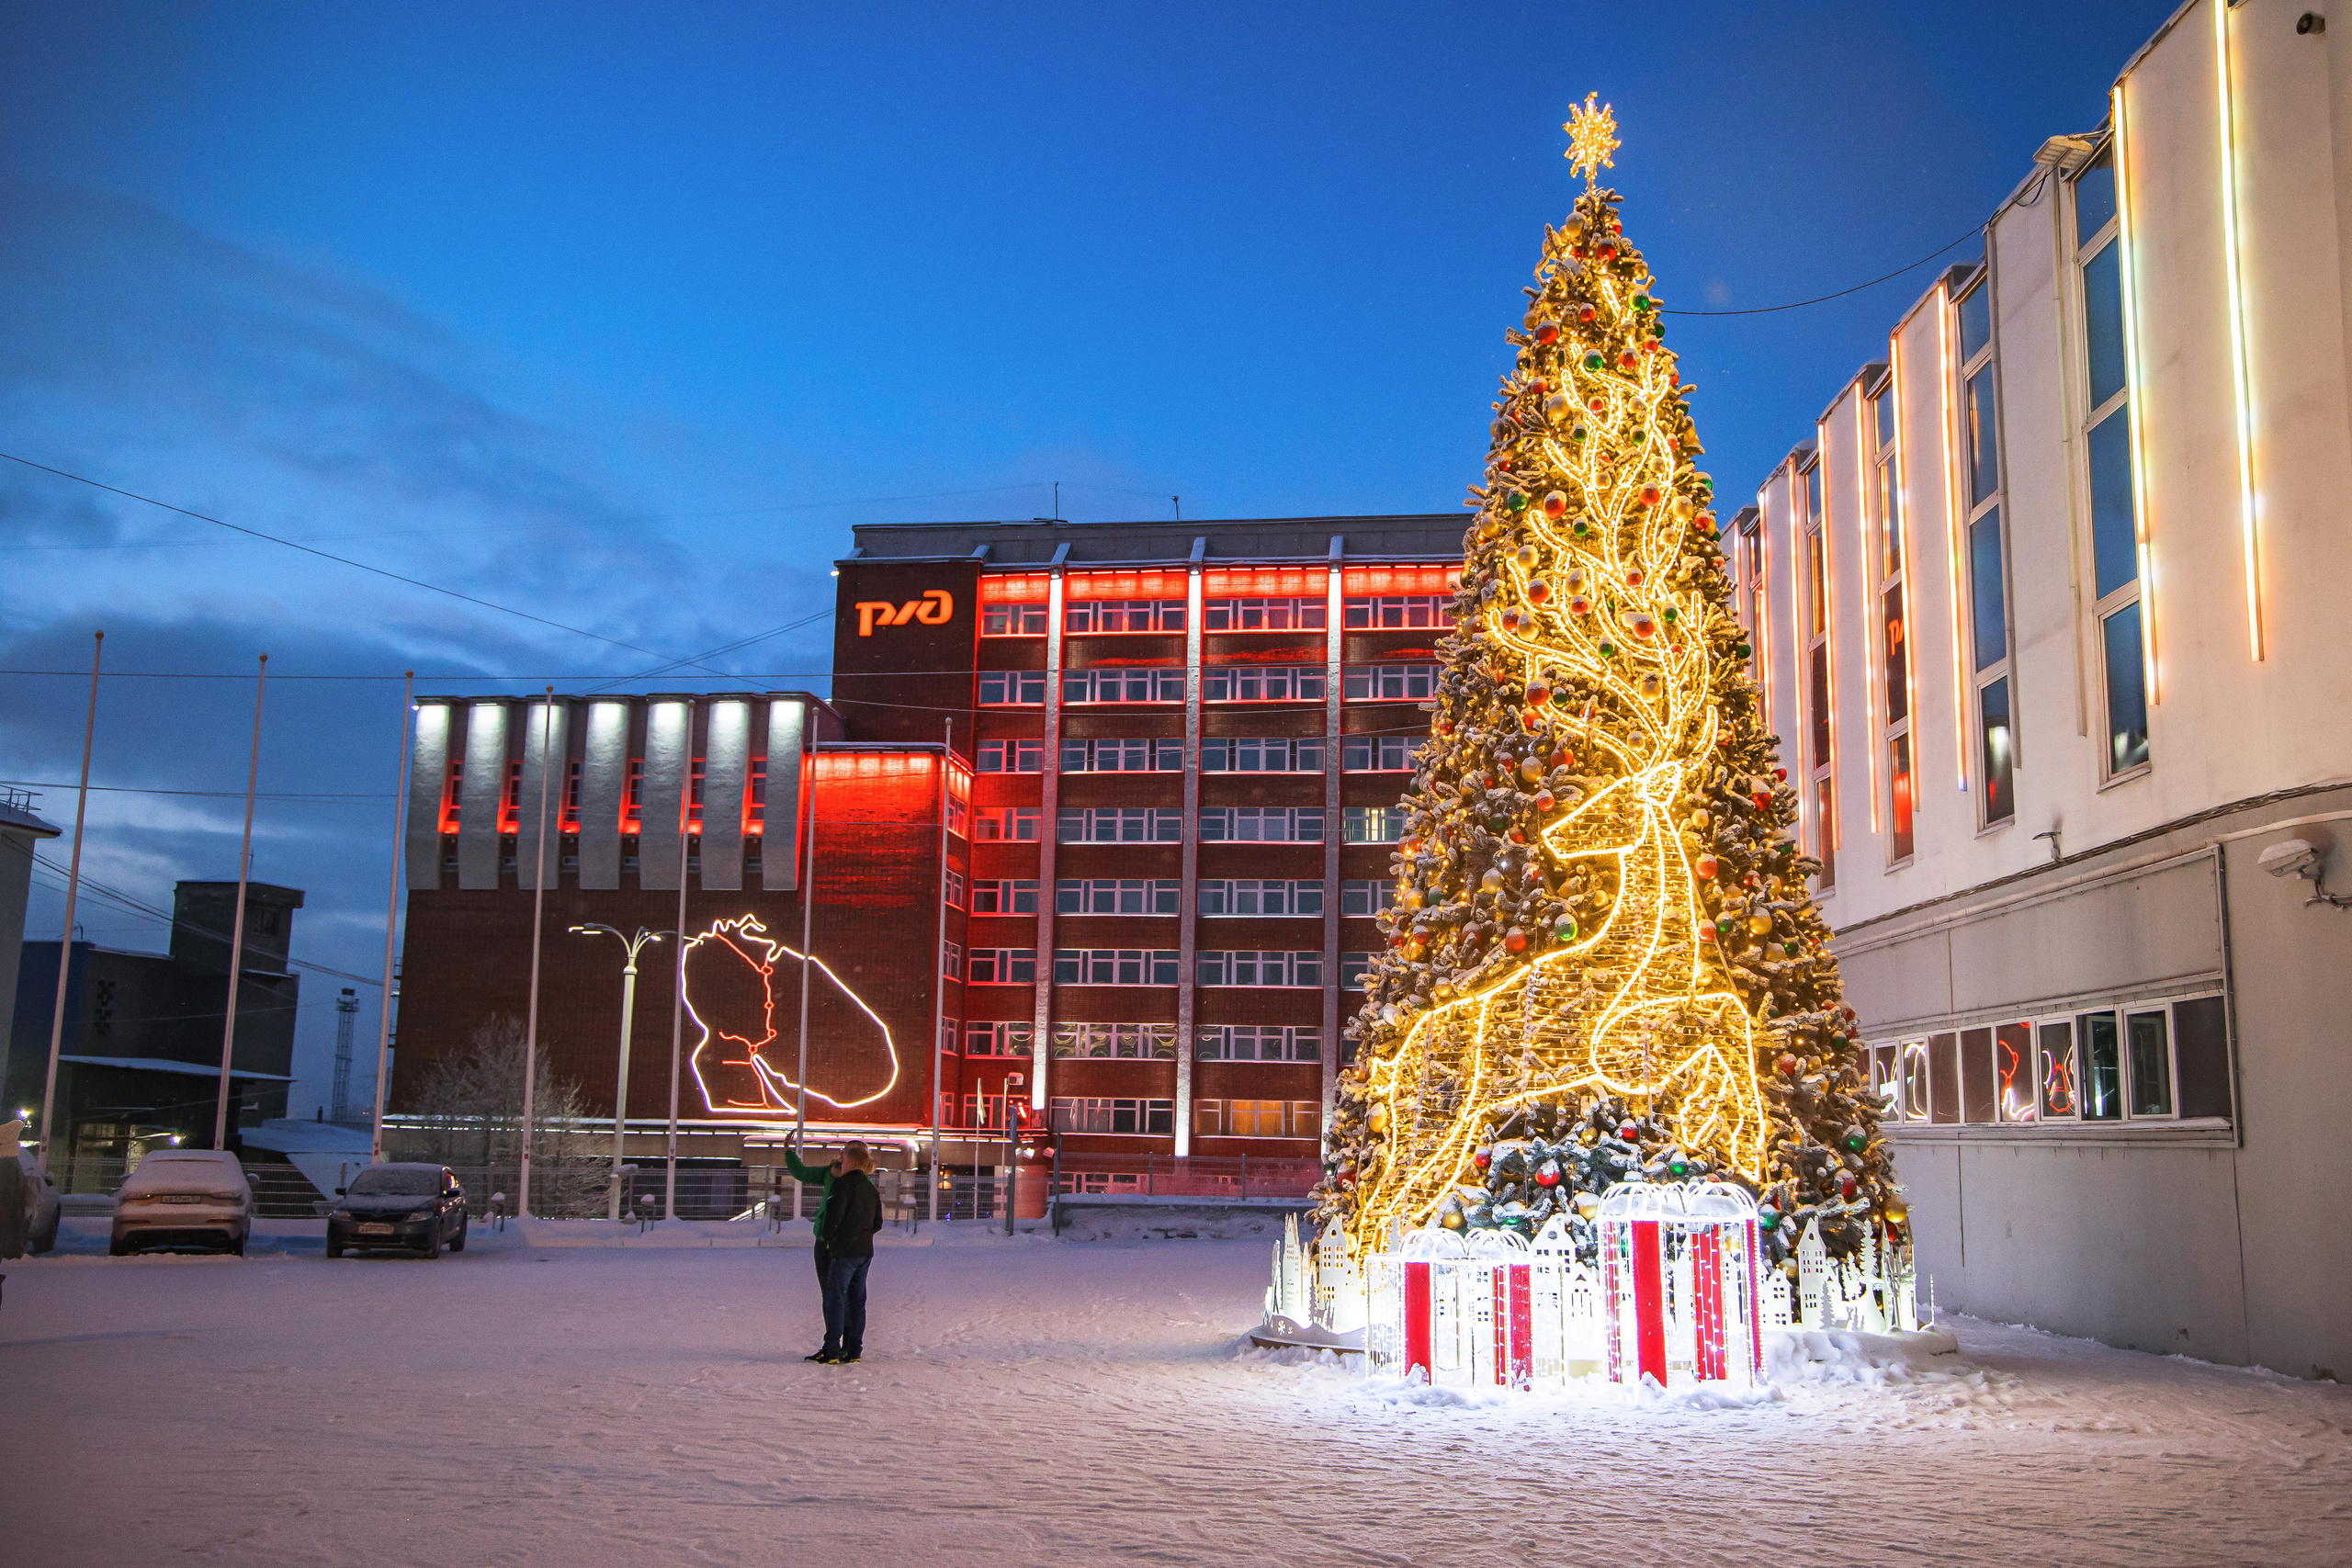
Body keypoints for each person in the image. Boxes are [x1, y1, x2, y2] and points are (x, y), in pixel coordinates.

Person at [812, 1140, 882, 1364]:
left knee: (835, 1298)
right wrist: (862, 1234)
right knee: (857, 1301)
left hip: (844, 1252)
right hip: (865, 1252)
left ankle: (831, 1350)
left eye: (842, 1159)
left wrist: (831, 1238)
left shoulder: (841, 1185)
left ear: (851, 1161)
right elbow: (878, 1222)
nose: (839, 1162)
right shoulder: (871, 1188)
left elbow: (833, 1219)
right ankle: (854, 1350)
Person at [783, 1135, 841, 1306]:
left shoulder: (859, 1179)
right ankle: (833, 1329)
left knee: (840, 1293)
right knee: (829, 1292)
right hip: (824, 1239)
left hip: (844, 1242)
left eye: (845, 1151)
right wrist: (788, 1152)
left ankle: (843, 1328)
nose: (840, 1153)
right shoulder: (828, 1172)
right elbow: (801, 1172)